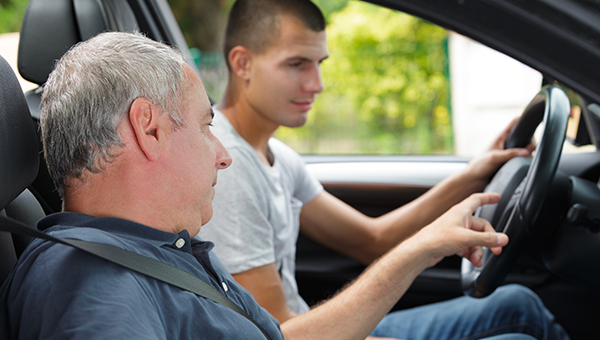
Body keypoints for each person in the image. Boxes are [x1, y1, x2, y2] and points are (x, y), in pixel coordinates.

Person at [0, 31, 542, 340]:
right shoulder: (93, 291)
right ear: (149, 128)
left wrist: (420, 250)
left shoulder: (157, 247)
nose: (221, 156)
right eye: (207, 125)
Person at [199, 1, 568, 339]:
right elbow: (281, 334)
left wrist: (474, 174)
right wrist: (422, 248)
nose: (317, 85)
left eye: (319, 64)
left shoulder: (276, 154)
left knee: (519, 302)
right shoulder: (228, 164)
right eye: (296, 64)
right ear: (242, 63)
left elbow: (370, 240)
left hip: (313, 326)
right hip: (303, 333)